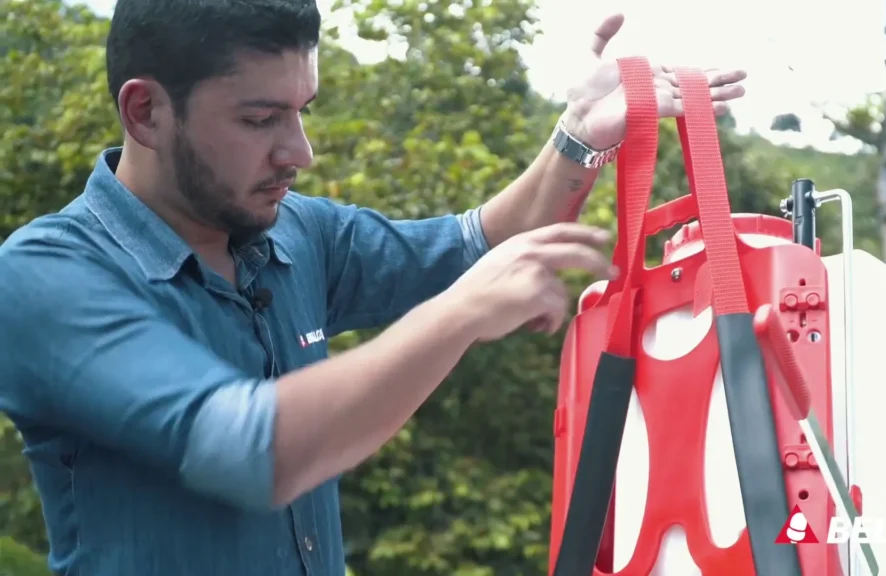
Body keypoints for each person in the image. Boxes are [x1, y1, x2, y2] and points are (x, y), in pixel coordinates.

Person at [0, 0, 746, 574]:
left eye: (302, 112)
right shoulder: (47, 278)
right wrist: (460, 316)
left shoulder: (296, 233)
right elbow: (251, 449)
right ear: (146, 111)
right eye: (260, 119)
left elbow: (475, 247)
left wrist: (577, 136)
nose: (300, 152)